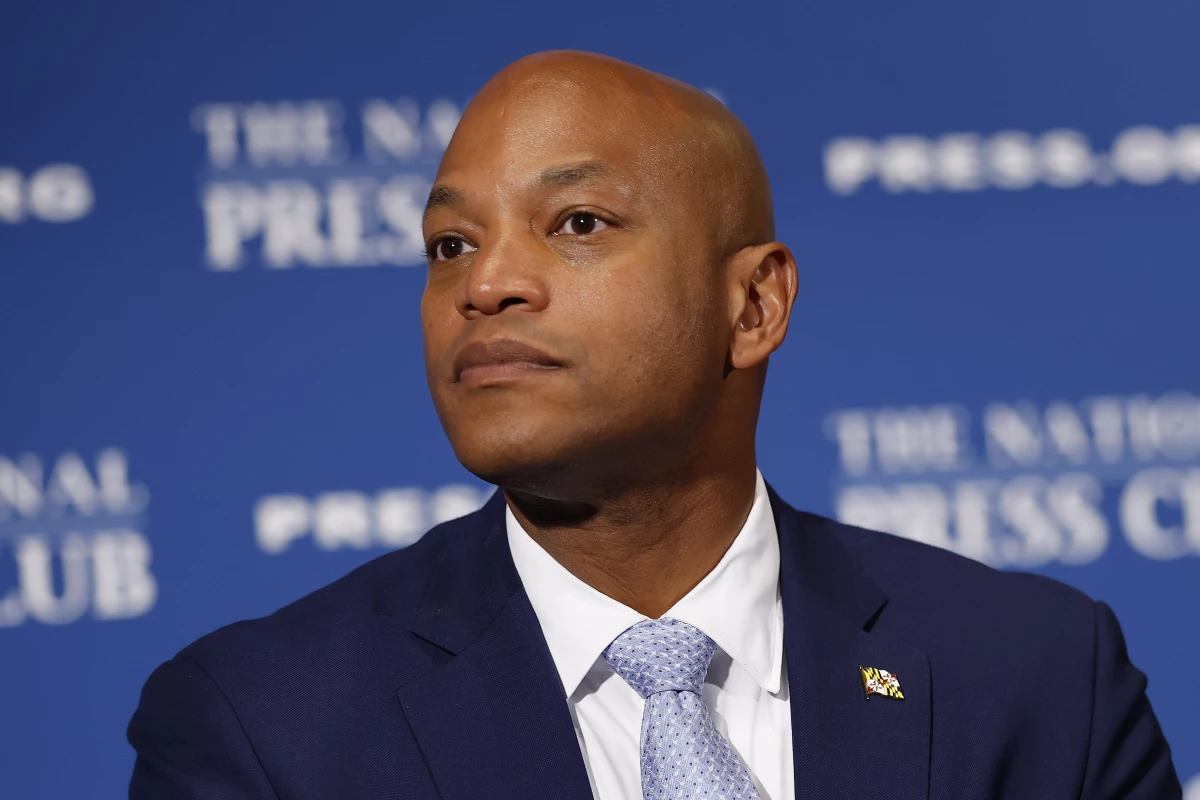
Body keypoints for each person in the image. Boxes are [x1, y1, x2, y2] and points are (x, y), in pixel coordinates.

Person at [127, 51, 1181, 799]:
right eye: (450, 245)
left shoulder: (1040, 677)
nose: (485, 284)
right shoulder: (262, 729)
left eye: (577, 223)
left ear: (753, 306)